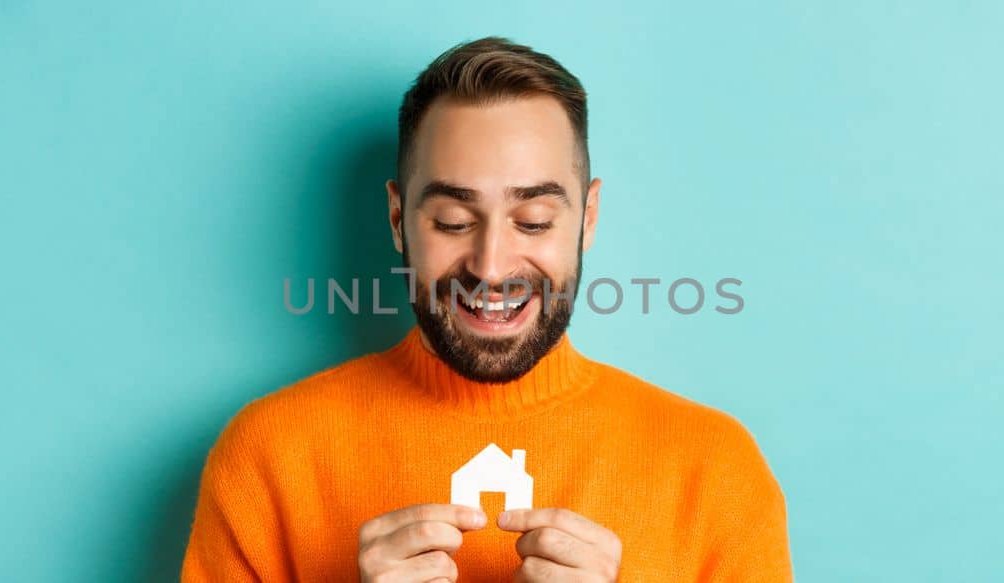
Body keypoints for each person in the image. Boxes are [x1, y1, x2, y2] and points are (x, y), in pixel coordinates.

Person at [182, 36, 791, 582]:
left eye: (533, 221)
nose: (492, 266)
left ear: (589, 218)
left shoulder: (715, 472)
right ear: (399, 220)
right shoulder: (267, 460)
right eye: (452, 220)